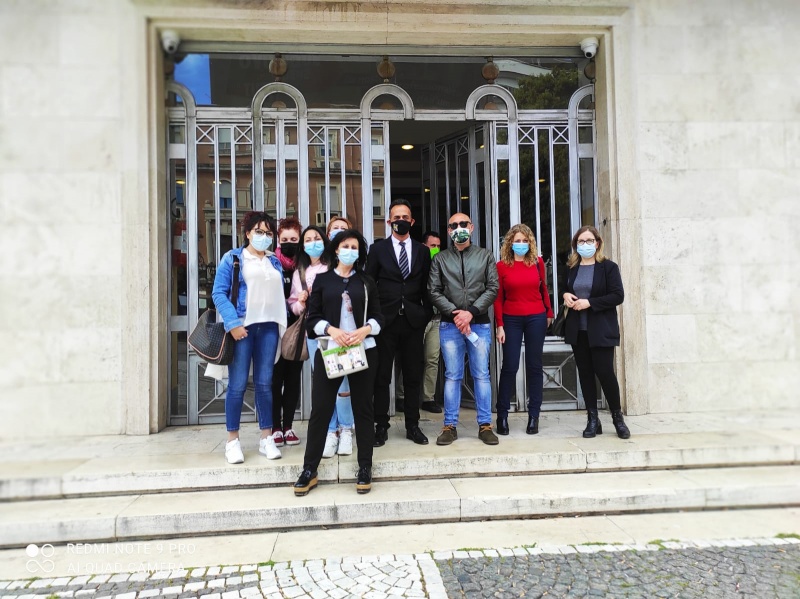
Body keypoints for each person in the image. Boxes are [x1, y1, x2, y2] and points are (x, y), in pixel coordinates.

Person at [294, 229, 384, 496]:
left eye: (355, 247)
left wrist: (365, 330)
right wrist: (332, 330)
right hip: (331, 352)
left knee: (363, 409)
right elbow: (312, 319)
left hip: (362, 351)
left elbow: (379, 317)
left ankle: (365, 467)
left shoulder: (366, 281)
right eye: (346, 246)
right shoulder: (323, 280)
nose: (350, 251)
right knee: (321, 409)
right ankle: (309, 469)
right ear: (335, 249)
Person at [212, 211, 287, 464]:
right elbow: (218, 293)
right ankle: (232, 441)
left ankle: (266, 437)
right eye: (259, 231)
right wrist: (233, 323)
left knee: (265, 384)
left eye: (268, 233)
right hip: (243, 328)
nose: (264, 236)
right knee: (238, 385)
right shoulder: (233, 258)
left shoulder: (274, 261)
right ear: (247, 233)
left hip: (269, 328)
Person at [428, 213, 499, 446]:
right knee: (452, 376)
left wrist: (472, 312)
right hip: (451, 324)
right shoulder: (440, 259)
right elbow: (434, 290)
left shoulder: (485, 256)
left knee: (481, 375)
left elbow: (492, 287)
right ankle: (449, 426)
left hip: (479, 323)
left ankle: (485, 425)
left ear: (471, 227)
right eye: (453, 225)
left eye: (463, 224)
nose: (459, 228)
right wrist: (455, 313)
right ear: (449, 231)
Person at [366, 199, 432, 446]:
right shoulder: (378, 249)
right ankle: (381, 426)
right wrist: (374, 317)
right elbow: (370, 283)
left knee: (413, 376)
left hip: (413, 321)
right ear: (389, 221)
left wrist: (426, 313)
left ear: (412, 221)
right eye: (396, 218)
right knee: (382, 376)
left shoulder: (422, 251)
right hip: (386, 322)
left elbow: (427, 285)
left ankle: (412, 425)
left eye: (405, 217)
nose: (401, 221)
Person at [288, 225, 355, 458]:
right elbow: (294, 308)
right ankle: (331, 430)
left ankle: (346, 429)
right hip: (315, 336)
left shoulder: (333, 267)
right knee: (325, 387)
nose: (312, 243)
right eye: (308, 240)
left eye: (316, 238)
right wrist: (301, 302)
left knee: (343, 386)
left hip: (340, 334)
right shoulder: (300, 272)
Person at [562, 225, 630, 440]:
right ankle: (593, 419)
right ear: (576, 245)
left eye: (589, 241)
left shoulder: (608, 267)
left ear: (597, 243)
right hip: (578, 330)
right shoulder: (572, 268)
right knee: (585, 374)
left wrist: (590, 303)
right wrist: (565, 295)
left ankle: (617, 418)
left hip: (601, 330)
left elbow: (618, 295)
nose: (585, 245)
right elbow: (568, 290)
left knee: (605, 372)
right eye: (581, 241)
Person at [494, 224, 555, 436]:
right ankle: (502, 415)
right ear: (510, 243)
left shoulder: (538, 263)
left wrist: (549, 313)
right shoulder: (501, 266)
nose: (521, 244)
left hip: (536, 317)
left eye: (525, 241)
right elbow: (498, 298)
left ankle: (534, 415)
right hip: (511, 318)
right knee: (509, 366)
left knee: (534, 366)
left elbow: (544, 288)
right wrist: (500, 325)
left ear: (530, 243)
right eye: (517, 240)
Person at [395, 231, 444, 414]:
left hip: (436, 318)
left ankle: (428, 398)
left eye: (438, 246)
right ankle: (402, 396)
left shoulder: (441, 265)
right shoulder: (414, 263)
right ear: (423, 247)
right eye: (432, 246)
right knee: (411, 358)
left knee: (432, 359)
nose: (436, 250)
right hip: (417, 318)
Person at [271, 217, 304, 448]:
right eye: (285, 239)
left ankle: (288, 426)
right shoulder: (270, 263)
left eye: (294, 239)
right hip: (273, 329)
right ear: (278, 240)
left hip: (297, 330)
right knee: (274, 380)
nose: (289, 243)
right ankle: (275, 427)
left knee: (293, 379)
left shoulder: (304, 265)